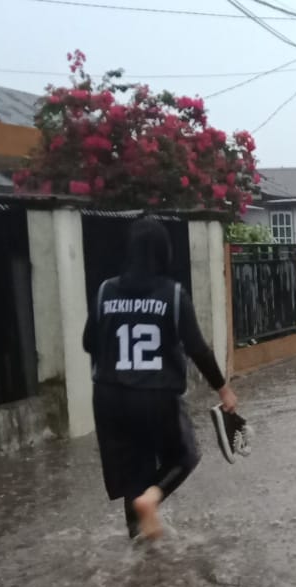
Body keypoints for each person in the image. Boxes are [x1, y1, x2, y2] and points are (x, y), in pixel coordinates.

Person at [84, 218, 239, 540]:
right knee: (184, 455)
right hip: (155, 395)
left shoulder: (105, 291)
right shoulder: (173, 295)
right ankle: (152, 499)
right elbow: (197, 348)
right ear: (163, 252)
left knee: (133, 474)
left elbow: (88, 343)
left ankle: (141, 548)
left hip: (109, 397)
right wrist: (223, 389)